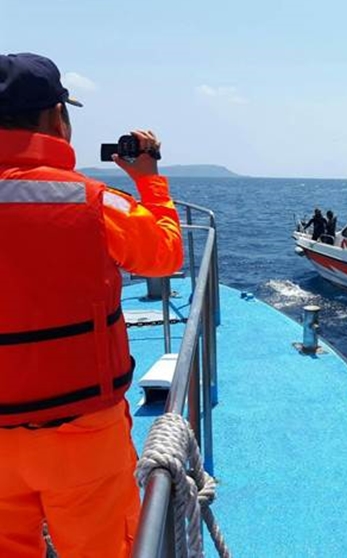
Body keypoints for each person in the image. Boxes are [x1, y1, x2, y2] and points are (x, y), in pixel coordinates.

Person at [0, 52, 183, 558]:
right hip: (83, 436)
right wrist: (148, 179)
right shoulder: (94, 201)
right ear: (55, 117)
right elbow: (164, 254)